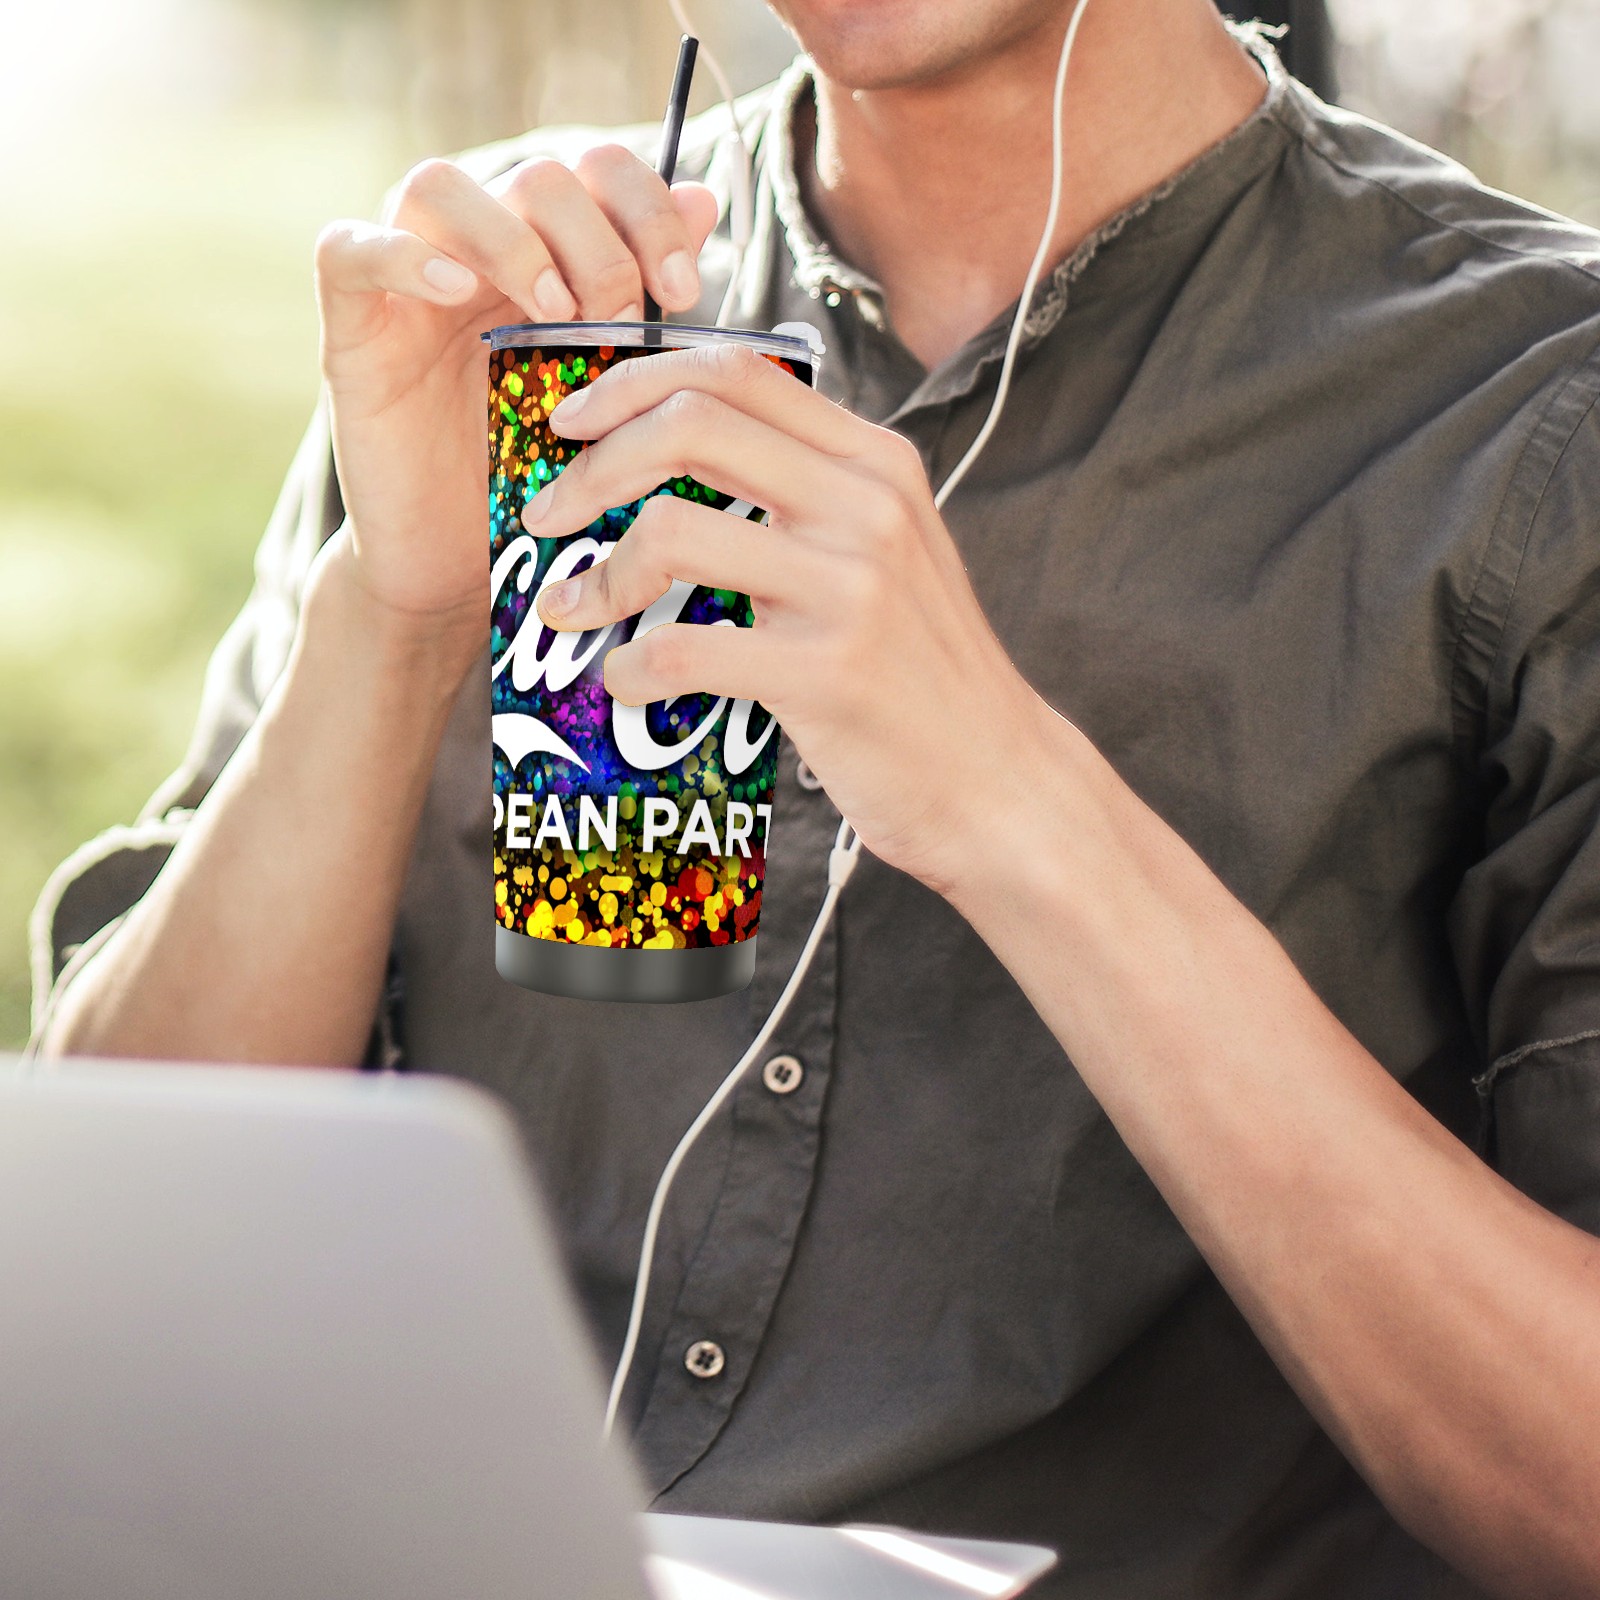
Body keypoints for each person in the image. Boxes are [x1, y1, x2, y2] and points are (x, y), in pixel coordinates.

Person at [30, 0, 1600, 1592]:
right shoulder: (498, 307)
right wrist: (396, 617)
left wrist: (1015, 799)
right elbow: (96, 1277)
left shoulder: (1534, 414)